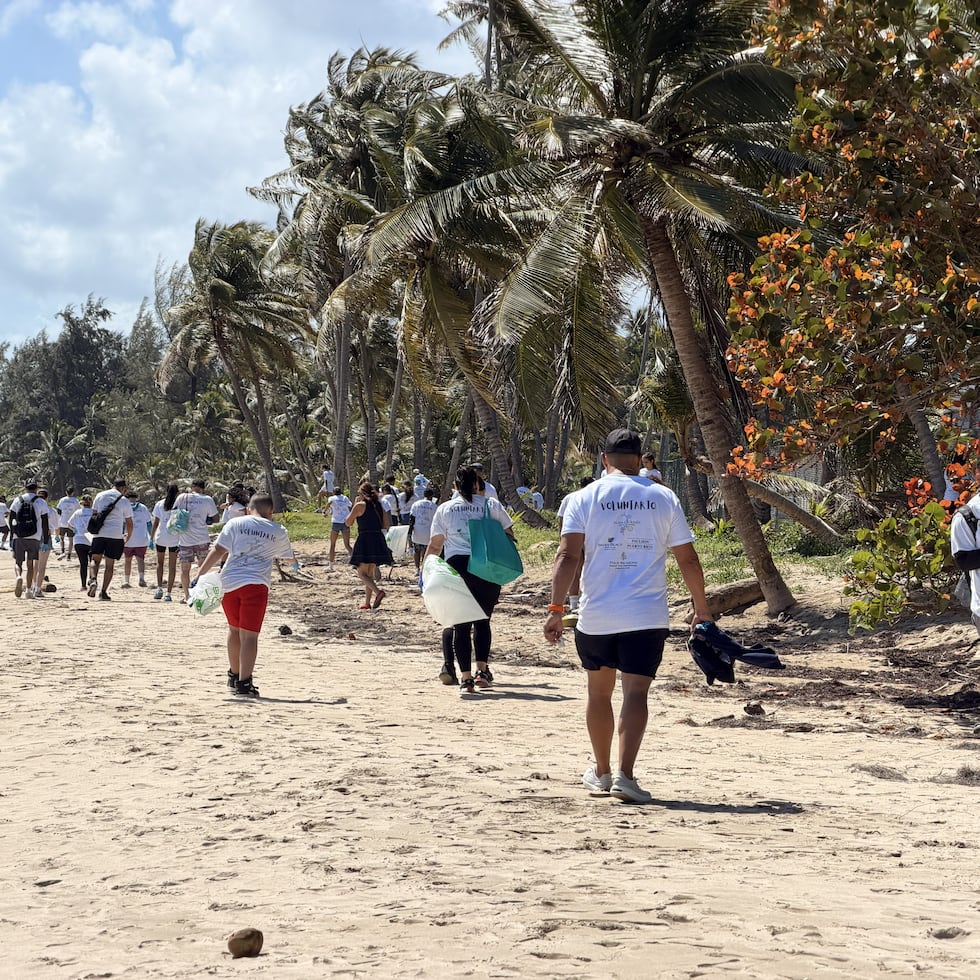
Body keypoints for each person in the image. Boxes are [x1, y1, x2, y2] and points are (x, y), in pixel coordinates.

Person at [544, 428, 713, 804]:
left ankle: (601, 772)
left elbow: (568, 556)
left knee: (598, 693)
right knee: (636, 692)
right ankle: (626, 775)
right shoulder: (663, 497)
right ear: (640, 461)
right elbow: (687, 557)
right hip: (646, 614)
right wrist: (701, 609)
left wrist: (556, 610)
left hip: (597, 614)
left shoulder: (582, 497)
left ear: (604, 460)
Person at [424, 466, 515, 697]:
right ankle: (482, 672)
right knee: (483, 621)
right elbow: (509, 533)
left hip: (458, 568)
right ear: (477, 484)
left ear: (455, 486)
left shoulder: (445, 509)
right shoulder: (491, 505)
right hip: (486, 567)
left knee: (460, 625)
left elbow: (435, 546)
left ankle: (465, 679)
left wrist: (426, 572)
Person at [195, 493, 296, 698]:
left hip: (229, 583)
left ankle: (233, 676)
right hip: (255, 585)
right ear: (271, 511)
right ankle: (244, 683)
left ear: (249, 509)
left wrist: (200, 574)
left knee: (234, 630)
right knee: (250, 635)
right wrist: (295, 566)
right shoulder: (278, 530)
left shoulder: (236, 523)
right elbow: (288, 559)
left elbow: (218, 551)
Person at [345, 482, 392, 609]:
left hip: (365, 538)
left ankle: (378, 592)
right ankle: (367, 602)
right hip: (378, 539)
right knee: (369, 573)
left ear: (362, 494)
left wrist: (355, 505)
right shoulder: (379, 506)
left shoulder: (360, 505)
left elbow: (348, 522)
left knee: (361, 573)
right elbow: (386, 525)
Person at [555, 476, 594, 628]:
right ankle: (579, 602)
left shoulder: (570, 497)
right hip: (590, 537)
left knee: (575, 570)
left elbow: (561, 519)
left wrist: (562, 537)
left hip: (574, 535)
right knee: (586, 568)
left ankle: (574, 603)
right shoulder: (594, 497)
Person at [88, 477, 135, 601]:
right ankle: (103, 592)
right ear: (123, 488)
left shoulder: (100, 495)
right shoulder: (124, 501)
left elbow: (94, 514)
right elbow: (129, 523)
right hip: (115, 535)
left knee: (95, 560)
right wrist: (127, 537)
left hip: (99, 534)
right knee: (109, 565)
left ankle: (93, 579)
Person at [175, 479, 219, 602]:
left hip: (185, 540)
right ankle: (199, 594)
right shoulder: (207, 499)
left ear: (191, 486)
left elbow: (174, 513)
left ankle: (187, 596)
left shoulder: (182, 497)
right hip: (202, 539)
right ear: (203, 488)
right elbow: (215, 518)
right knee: (203, 569)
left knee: (184, 570)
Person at [8, 478, 50, 598]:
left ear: (25, 488)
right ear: (36, 488)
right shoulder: (41, 502)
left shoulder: (18, 500)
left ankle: (18, 576)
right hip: (34, 536)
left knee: (18, 562)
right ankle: (28, 590)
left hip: (18, 535)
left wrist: (12, 534)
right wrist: (45, 538)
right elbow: (45, 521)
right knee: (30, 563)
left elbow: (11, 518)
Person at [151, 484, 181, 601]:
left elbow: (156, 522)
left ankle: (159, 588)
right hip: (175, 537)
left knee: (160, 563)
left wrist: (151, 537)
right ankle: (168, 592)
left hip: (161, 537)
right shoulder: (179, 504)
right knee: (172, 566)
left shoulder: (160, 504)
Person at [121, 490, 152, 588]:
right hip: (141, 539)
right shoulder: (143, 508)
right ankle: (141, 579)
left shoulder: (125, 507)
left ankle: (126, 581)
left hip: (128, 539)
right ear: (136, 498)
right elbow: (149, 523)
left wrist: (120, 536)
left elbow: (122, 524)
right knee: (140, 560)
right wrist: (151, 537)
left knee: (127, 560)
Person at [33, 487, 59, 597]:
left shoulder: (33, 508)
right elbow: (57, 526)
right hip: (46, 536)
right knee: (42, 565)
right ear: (47, 498)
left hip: (34, 536)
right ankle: (38, 589)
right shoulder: (51, 511)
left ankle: (32, 586)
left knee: (34, 564)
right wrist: (57, 536)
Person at [408, 487, 438, 573]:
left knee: (416, 551)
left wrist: (410, 533)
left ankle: (417, 569)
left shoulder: (416, 504)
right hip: (428, 533)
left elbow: (411, 519)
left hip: (417, 532)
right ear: (431, 496)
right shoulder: (434, 506)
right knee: (426, 553)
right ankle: (424, 569)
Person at [68, 495, 94, 589]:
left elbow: (69, 525)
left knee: (83, 564)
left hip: (79, 540)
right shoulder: (94, 512)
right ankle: (92, 580)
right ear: (91, 503)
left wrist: (76, 530)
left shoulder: (77, 513)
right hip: (92, 539)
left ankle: (83, 585)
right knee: (93, 562)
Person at [325, 486, 353, 566]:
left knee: (333, 544)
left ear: (333, 492)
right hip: (345, 521)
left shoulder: (331, 498)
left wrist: (325, 511)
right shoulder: (345, 498)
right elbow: (350, 505)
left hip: (336, 522)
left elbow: (329, 504)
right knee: (347, 544)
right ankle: (355, 561)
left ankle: (331, 564)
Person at [55, 486, 80, 559]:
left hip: (62, 522)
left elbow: (58, 510)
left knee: (62, 538)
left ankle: (63, 552)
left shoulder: (62, 500)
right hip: (71, 523)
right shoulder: (75, 500)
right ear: (73, 493)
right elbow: (78, 511)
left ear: (66, 492)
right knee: (71, 540)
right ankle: (69, 555)